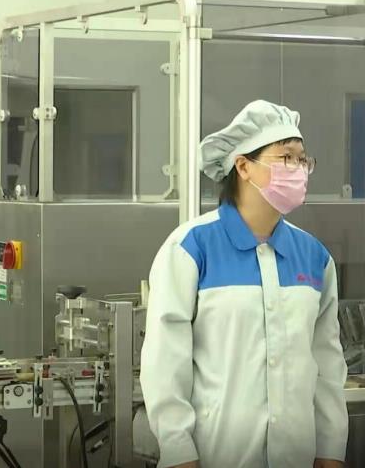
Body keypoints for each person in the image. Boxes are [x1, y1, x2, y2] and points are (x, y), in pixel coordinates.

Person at [140, 100, 348, 468]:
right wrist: (178, 450)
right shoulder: (191, 247)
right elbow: (165, 362)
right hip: (214, 456)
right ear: (243, 166)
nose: (298, 169)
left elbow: (327, 365)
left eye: (303, 160)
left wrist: (331, 450)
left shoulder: (314, 256)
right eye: (286, 157)